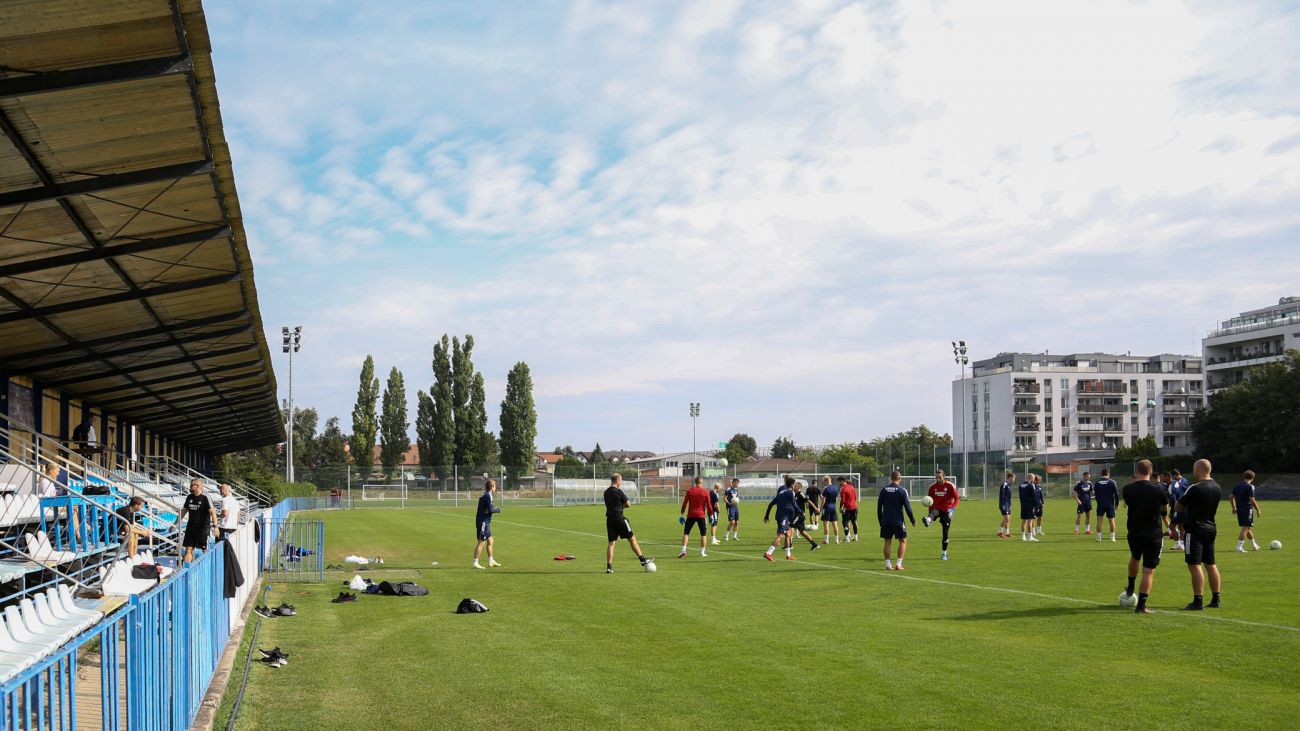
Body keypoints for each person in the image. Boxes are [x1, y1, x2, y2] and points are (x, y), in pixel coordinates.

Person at [1121, 460, 1168, 615]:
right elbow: (1164, 506)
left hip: (1134, 532)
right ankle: (1141, 606)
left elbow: (1130, 502)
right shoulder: (1159, 489)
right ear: (1151, 471)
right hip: (1153, 534)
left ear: (1137, 470)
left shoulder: (1128, 489)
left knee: (1135, 557)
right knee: (1148, 571)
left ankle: (1131, 586)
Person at [1176, 459, 1222, 610]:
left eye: (1195, 469)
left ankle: (1198, 601)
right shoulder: (1217, 486)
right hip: (1211, 528)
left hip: (1195, 529)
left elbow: (1179, 506)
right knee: (1211, 564)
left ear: (1199, 469)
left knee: (1194, 565)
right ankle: (1216, 598)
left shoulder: (1194, 488)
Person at [604, 474, 652, 573]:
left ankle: (609, 567)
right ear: (617, 480)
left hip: (610, 519)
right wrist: (621, 507)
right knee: (632, 538)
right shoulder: (619, 492)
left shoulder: (606, 492)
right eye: (620, 480)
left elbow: (609, 505)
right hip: (620, 519)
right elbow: (628, 504)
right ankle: (642, 560)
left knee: (612, 543)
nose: (621, 482)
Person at [878, 471, 915, 571]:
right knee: (903, 541)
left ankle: (888, 565)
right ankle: (898, 564)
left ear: (891, 478)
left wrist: (880, 521)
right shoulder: (902, 491)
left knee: (887, 542)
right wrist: (912, 520)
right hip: (898, 521)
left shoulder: (884, 490)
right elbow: (908, 507)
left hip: (886, 521)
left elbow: (879, 507)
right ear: (900, 479)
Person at [922, 469, 960, 560]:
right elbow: (930, 502)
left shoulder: (950, 486)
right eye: (936, 477)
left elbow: (957, 499)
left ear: (944, 476)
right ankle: (928, 520)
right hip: (937, 509)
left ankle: (944, 553)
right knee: (934, 512)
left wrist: (952, 510)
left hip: (947, 511)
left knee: (945, 533)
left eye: (939, 477)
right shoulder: (932, 487)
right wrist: (929, 514)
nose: (938, 479)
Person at [179, 479, 218, 563]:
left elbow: (213, 512)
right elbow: (184, 510)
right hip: (190, 528)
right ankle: (186, 572)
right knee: (188, 550)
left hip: (203, 528)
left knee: (205, 550)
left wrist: (215, 527)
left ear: (197, 486)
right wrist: (175, 523)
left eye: (191, 485)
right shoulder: (189, 497)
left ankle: (209, 568)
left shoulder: (205, 497)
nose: (190, 487)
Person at [763, 476, 799, 561]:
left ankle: (788, 555)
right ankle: (768, 553)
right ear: (793, 484)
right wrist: (801, 512)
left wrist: (767, 515)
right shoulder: (791, 492)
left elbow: (770, 504)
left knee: (787, 534)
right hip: (783, 516)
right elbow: (794, 505)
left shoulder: (781, 492)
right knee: (781, 535)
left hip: (781, 516)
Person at [473, 479, 502, 569]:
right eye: (495, 486)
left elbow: (487, 507)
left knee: (490, 540)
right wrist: (497, 510)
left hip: (484, 521)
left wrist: (492, 507)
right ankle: (475, 562)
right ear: (491, 487)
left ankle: (491, 561)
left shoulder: (486, 495)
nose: (495, 488)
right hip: (483, 522)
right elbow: (490, 509)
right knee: (481, 542)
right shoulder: (487, 495)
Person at [678, 477, 711, 558]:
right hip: (701, 516)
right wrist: (711, 515)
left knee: (686, 533)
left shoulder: (690, 491)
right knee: (703, 534)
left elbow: (685, 503)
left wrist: (682, 514)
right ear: (701, 482)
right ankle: (702, 552)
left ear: (695, 482)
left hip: (691, 515)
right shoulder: (705, 492)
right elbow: (709, 505)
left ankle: (683, 550)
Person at [1231, 470, 1262, 552]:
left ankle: (1254, 545)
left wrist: (1234, 508)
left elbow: (1231, 497)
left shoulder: (1237, 486)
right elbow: (1252, 500)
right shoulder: (1249, 486)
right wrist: (1258, 510)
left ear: (1244, 477)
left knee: (1248, 528)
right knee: (1245, 528)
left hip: (1239, 509)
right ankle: (1239, 547)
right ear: (1252, 478)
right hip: (1247, 509)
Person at [789, 482, 821, 551]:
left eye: (795, 486)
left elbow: (808, 501)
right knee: (802, 532)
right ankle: (814, 544)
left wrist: (815, 508)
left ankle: (789, 545)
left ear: (798, 487)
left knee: (791, 526)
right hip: (797, 515)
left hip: (799, 515)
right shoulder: (795, 494)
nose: (793, 487)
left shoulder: (801, 494)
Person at [1093, 469, 1120, 542]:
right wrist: (1117, 504)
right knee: (1111, 521)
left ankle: (1099, 538)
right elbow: (1116, 494)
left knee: (1099, 521)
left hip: (1100, 504)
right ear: (1108, 474)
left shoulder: (1097, 482)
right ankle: (1112, 538)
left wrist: (1098, 502)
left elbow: (1095, 494)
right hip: (1110, 505)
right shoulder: (1112, 482)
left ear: (1101, 474)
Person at [1018, 474, 1040, 542]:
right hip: (1030, 505)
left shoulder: (1021, 485)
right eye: (1033, 478)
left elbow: (1020, 496)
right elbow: (1034, 496)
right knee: (1030, 521)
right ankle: (1030, 537)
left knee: (1024, 521)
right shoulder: (1031, 485)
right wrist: (1037, 506)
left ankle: (1023, 537)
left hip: (1023, 505)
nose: (1034, 480)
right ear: (1031, 478)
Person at [838, 476, 860, 542]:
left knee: (845, 522)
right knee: (854, 522)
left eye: (839, 482)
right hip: (854, 507)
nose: (839, 483)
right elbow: (855, 497)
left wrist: (840, 507)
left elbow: (842, 501)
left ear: (842, 481)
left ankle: (847, 538)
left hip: (847, 508)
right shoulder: (852, 487)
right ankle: (856, 537)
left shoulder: (843, 489)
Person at [820, 476, 841, 544]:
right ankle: (837, 540)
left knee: (826, 524)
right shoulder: (836, 488)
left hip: (827, 507)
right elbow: (836, 498)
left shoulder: (826, 489)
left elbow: (823, 500)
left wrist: (820, 508)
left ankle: (826, 540)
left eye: (824, 481)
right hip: (833, 507)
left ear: (826, 481)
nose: (824, 483)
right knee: (835, 524)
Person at [997, 472, 1014, 538]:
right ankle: (1000, 532)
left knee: (1008, 519)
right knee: (1006, 518)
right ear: (1010, 477)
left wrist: (1010, 504)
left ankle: (1007, 533)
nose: (1014, 479)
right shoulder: (1004, 484)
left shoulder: (1009, 485)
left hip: (1008, 504)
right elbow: (1002, 495)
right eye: (1014, 478)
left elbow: (1008, 497)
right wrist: (1003, 505)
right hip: (1004, 504)